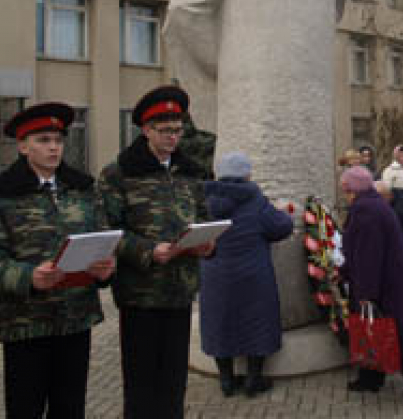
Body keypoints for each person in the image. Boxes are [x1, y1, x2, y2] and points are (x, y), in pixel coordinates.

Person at [99, 86, 214, 418]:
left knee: (174, 382)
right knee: (141, 383)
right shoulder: (120, 172)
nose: (172, 138)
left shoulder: (190, 171)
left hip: (180, 291)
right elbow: (106, 229)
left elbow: (203, 216)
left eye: (177, 130)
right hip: (141, 294)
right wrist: (148, 251)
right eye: (164, 131)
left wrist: (207, 242)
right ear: (146, 130)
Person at [0, 102, 116, 418]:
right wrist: (27, 277)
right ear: (23, 146)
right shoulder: (5, 193)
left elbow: (103, 235)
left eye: (58, 140)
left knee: (70, 408)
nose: (54, 147)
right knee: (25, 408)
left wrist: (106, 266)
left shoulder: (82, 188)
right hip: (26, 323)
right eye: (43, 140)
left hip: (75, 319)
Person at [200, 152, 294, 397]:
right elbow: (281, 227)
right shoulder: (255, 201)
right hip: (253, 274)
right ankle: (254, 380)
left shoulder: (205, 201)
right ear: (247, 174)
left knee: (219, 322)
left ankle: (226, 381)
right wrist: (285, 213)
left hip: (215, 274)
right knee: (257, 320)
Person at [339, 167, 403, 399]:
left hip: (385, 284)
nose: (344, 193)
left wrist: (366, 292)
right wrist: (344, 271)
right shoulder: (373, 204)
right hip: (391, 279)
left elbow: (367, 256)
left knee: (391, 332)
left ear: (352, 189)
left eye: (345, 189)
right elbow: (359, 252)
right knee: (373, 329)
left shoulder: (365, 211)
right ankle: (370, 377)